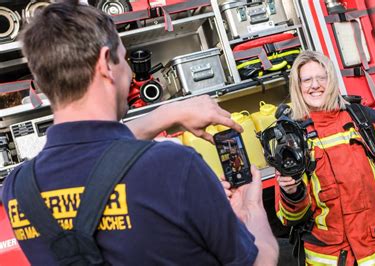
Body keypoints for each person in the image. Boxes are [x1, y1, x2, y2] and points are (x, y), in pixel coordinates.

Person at [1, 1, 278, 265]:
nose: (131, 71)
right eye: (124, 58)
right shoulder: (175, 167)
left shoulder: (18, 189)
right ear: (105, 64)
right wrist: (253, 215)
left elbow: (95, 151)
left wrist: (168, 113)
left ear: (40, 80)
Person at [275, 51, 375, 265]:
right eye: (307, 80)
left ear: (331, 81)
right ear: (298, 86)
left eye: (321, 78)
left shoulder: (364, 120)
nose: (315, 85)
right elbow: (290, 218)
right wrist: (292, 194)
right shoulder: (291, 139)